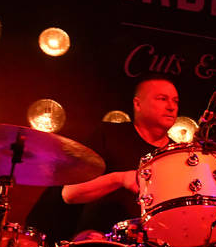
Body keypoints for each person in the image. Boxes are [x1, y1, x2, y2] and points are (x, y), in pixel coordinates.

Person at [61, 73, 179, 237]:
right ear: (138, 104)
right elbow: (70, 193)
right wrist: (120, 179)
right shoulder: (109, 134)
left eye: (175, 101)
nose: (171, 107)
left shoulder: (177, 153)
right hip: (100, 242)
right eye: (162, 99)